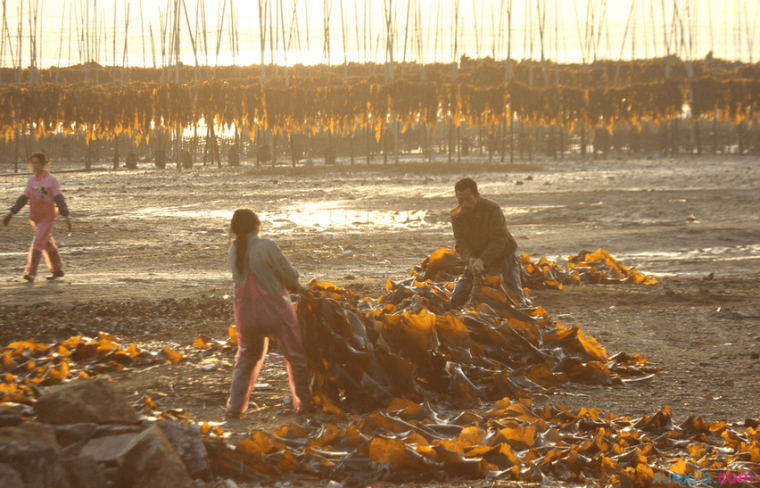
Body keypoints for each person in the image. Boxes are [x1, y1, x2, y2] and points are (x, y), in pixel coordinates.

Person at [226, 209, 313, 417]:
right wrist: (297, 286)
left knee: (246, 357)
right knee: (295, 355)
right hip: (274, 309)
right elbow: (289, 275)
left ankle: (235, 407)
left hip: (246, 312)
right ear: (256, 225)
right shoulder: (266, 246)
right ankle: (304, 403)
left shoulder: (234, 250)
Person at [449, 177, 527, 308]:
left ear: (477, 196)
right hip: (476, 260)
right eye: (460, 199)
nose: (464, 204)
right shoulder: (456, 215)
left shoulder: (492, 209)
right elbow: (461, 243)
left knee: (517, 302)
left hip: (504, 257)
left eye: (468, 199)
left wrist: (483, 260)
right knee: (456, 300)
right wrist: (471, 260)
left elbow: (499, 240)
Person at [3, 152, 72, 282]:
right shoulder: (31, 180)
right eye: (33, 163)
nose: (35, 165)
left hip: (48, 216)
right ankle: (58, 269)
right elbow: (24, 198)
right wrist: (11, 213)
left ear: (44, 163)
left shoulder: (51, 180)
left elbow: (58, 198)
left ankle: (31, 272)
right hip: (36, 217)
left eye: (38, 163)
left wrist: (66, 215)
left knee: (38, 242)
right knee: (47, 243)